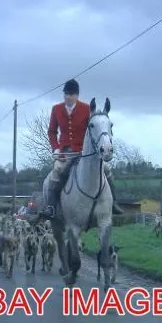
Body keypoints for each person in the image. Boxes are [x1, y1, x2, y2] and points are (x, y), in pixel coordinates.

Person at [41, 78, 125, 219]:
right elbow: (52, 131)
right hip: (65, 152)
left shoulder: (87, 109)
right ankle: (51, 207)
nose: (68, 96)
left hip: (85, 151)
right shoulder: (56, 109)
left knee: (107, 169)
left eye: (71, 94)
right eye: (66, 93)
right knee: (56, 172)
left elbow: (95, 127)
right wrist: (55, 149)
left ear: (77, 95)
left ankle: (114, 202)